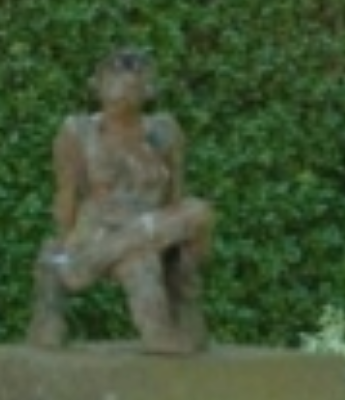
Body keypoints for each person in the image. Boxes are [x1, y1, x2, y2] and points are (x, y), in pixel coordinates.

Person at [27, 48, 215, 355]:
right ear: (97, 85)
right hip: (98, 227)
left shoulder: (164, 131)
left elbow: (175, 199)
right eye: (113, 81)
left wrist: (177, 249)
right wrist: (64, 242)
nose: (122, 91)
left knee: (195, 214)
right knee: (140, 260)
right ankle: (157, 332)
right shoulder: (78, 131)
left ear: (149, 89)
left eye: (133, 84)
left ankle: (88, 265)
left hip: (150, 227)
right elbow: (67, 195)